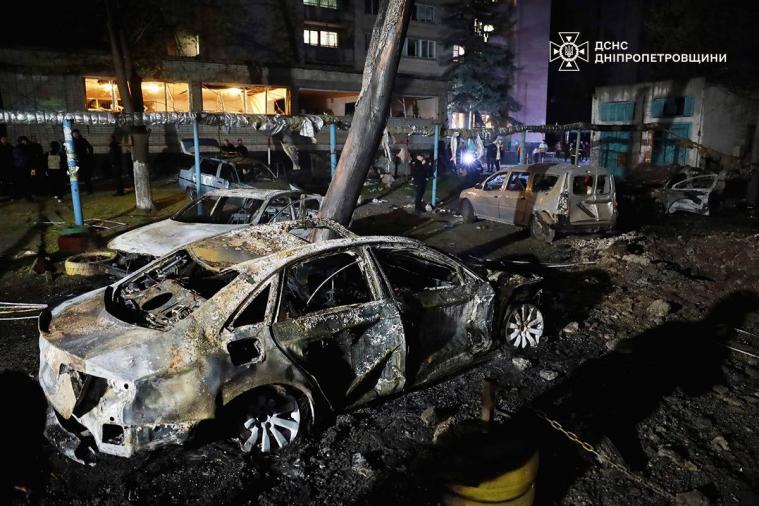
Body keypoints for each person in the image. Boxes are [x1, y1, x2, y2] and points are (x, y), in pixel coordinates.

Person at [72, 129, 94, 194]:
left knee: (86, 176)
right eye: (74, 134)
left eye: (76, 133)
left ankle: (89, 190)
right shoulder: (72, 141)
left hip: (83, 160)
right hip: (74, 161)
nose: (75, 135)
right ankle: (76, 190)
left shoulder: (82, 140)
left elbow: (90, 147)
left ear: (78, 133)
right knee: (74, 176)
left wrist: (89, 156)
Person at [12, 136, 32, 201]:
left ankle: (23, 195)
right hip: (22, 167)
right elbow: (23, 157)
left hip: (20, 167)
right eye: (25, 140)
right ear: (22, 141)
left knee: (22, 182)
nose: (26, 142)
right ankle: (26, 196)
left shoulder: (18, 148)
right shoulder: (21, 148)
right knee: (25, 182)